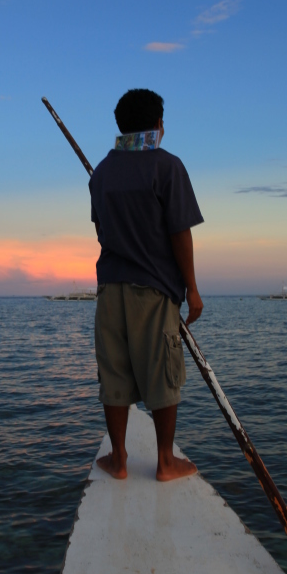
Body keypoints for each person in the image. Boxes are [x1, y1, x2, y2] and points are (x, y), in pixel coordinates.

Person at [89, 88, 204, 482]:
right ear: (158, 124)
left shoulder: (101, 172)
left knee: (114, 374)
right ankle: (165, 462)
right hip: (153, 290)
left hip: (109, 290)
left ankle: (119, 459)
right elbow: (180, 233)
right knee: (162, 374)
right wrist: (191, 288)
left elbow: (101, 230)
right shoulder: (167, 167)